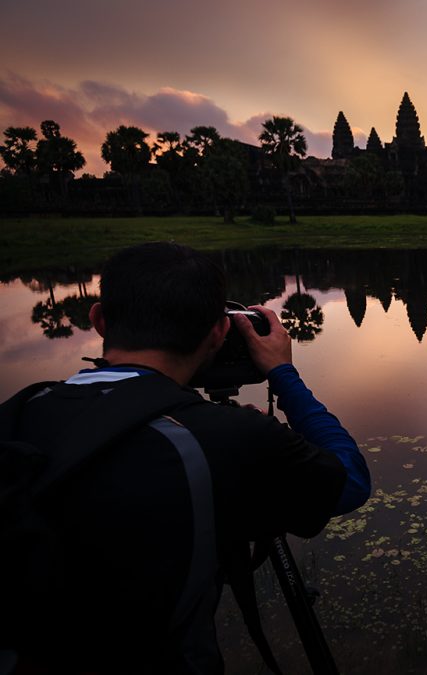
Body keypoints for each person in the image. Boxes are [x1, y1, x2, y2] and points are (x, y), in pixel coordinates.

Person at [3, 242, 371, 673]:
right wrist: (283, 374)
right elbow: (350, 482)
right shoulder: (230, 438)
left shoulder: (20, 410)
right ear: (218, 332)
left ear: (100, 320)